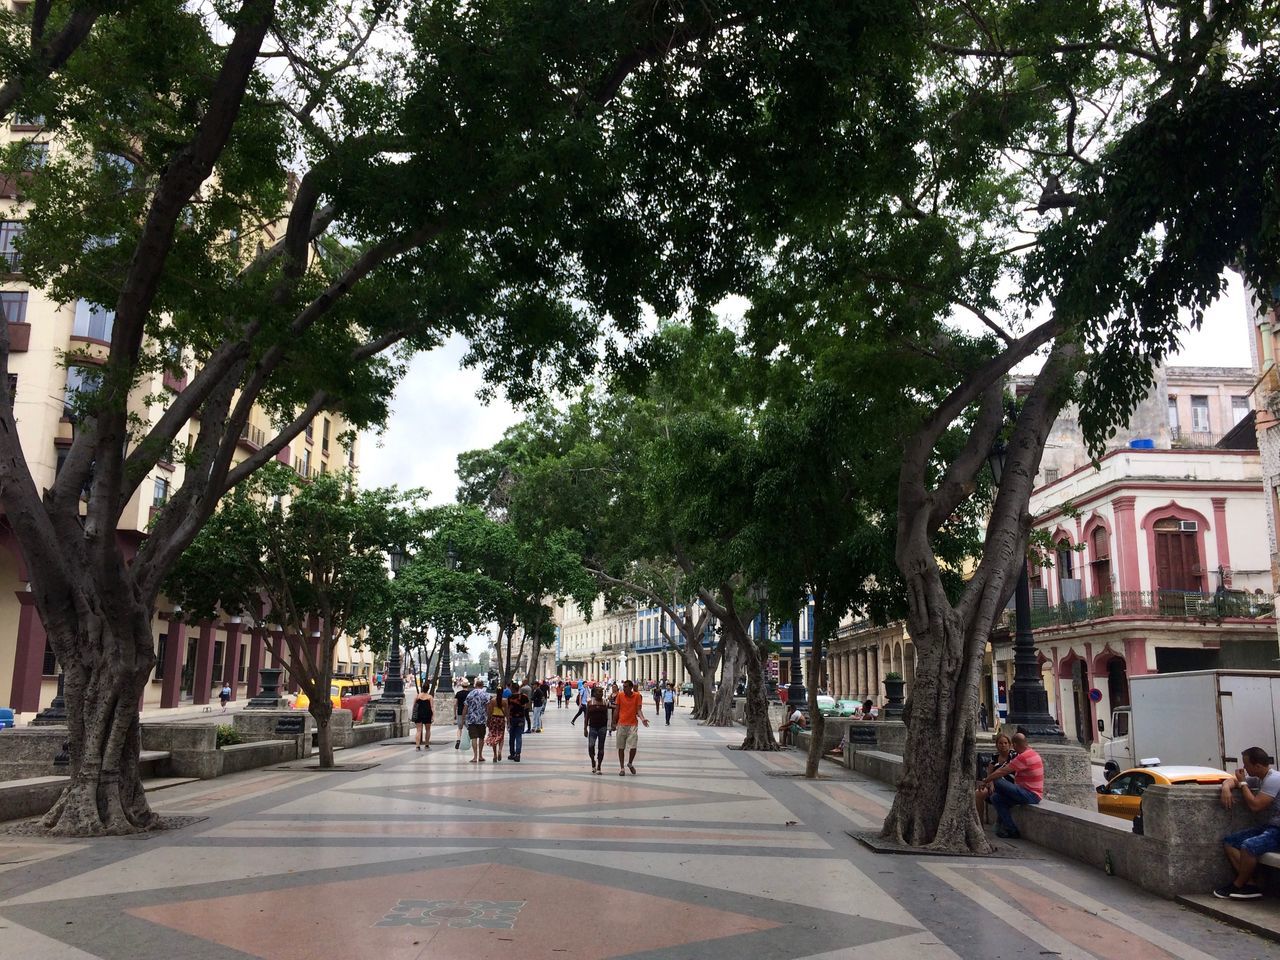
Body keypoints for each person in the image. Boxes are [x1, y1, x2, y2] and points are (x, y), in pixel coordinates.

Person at [1214, 745, 1280, 899]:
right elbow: (1232, 781)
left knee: (1249, 846)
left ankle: (1237, 885)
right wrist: (1225, 788)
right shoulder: (1260, 778)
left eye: (1246, 765)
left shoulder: (1274, 779)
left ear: (1257, 766)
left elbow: (1255, 806)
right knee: (1230, 842)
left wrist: (1243, 783)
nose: (1243, 768)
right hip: (1272, 826)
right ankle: (1249, 885)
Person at [979, 731, 1043, 839]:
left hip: (1031, 794)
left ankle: (1000, 825)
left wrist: (986, 781)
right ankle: (1011, 829)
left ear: (1015, 744)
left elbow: (1002, 772)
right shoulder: (1032, 753)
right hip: (1024, 791)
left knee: (998, 781)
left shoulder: (1023, 757)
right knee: (996, 798)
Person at [974, 733, 1018, 820]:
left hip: (1009, 785)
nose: (1003, 745)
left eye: (1006, 743)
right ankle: (980, 824)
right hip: (994, 784)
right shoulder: (994, 757)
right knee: (979, 793)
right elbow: (989, 773)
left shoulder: (1014, 755)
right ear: (997, 745)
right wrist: (990, 782)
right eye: (1001, 743)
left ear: (1010, 744)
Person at [611, 678, 650, 776]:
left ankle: (630, 763)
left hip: (633, 724)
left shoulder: (637, 696)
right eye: (623, 687)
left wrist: (643, 719)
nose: (624, 688)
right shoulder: (620, 695)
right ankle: (622, 768)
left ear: (631, 688)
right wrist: (613, 722)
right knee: (621, 747)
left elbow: (639, 710)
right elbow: (616, 710)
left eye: (626, 687)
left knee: (633, 746)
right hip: (621, 724)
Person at [463, 678, 490, 764]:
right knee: (481, 737)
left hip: (472, 719)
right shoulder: (485, 694)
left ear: (475, 685)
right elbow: (487, 707)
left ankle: (475, 756)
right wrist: (489, 717)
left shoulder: (470, 694)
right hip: (482, 719)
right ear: (482, 685)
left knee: (473, 738)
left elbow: (465, 707)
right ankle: (480, 755)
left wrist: (463, 717)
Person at [584, 686, 610, 774]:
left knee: (601, 747)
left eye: (601, 692)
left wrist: (610, 726)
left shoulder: (605, 702)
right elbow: (587, 716)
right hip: (592, 727)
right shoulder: (590, 703)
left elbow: (608, 715)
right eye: (598, 692)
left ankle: (599, 766)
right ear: (594, 693)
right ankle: (593, 761)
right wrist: (585, 728)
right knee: (591, 746)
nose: (600, 694)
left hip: (602, 727)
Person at [485, 689, 508, 762]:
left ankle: (494, 754)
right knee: (501, 735)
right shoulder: (505, 701)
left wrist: (488, 721)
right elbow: (506, 712)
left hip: (494, 719)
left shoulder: (493, 700)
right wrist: (508, 721)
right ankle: (500, 751)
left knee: (493, 736)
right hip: (501, 719)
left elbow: (490, 712)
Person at [507, 686, 529, 762]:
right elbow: (526, 705)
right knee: (518, 736)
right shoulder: (524, 696)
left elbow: (508, 708)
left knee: (512, 737)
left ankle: (512, 753)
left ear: (512, 689)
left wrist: (507, 720)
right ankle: (518, 754)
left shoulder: (510, 697)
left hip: (512, 718)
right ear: (518, 688)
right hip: (521, 718)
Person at [454, 681, 470, 750]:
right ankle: (469, 741)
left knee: (459, 728)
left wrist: (455, 713)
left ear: (462, 686)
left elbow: (455, 704)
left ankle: (458, 740)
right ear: (468, 686)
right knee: (469, 728)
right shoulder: (470, 694)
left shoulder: (458, 693)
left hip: (460, 712)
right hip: (468, 713)